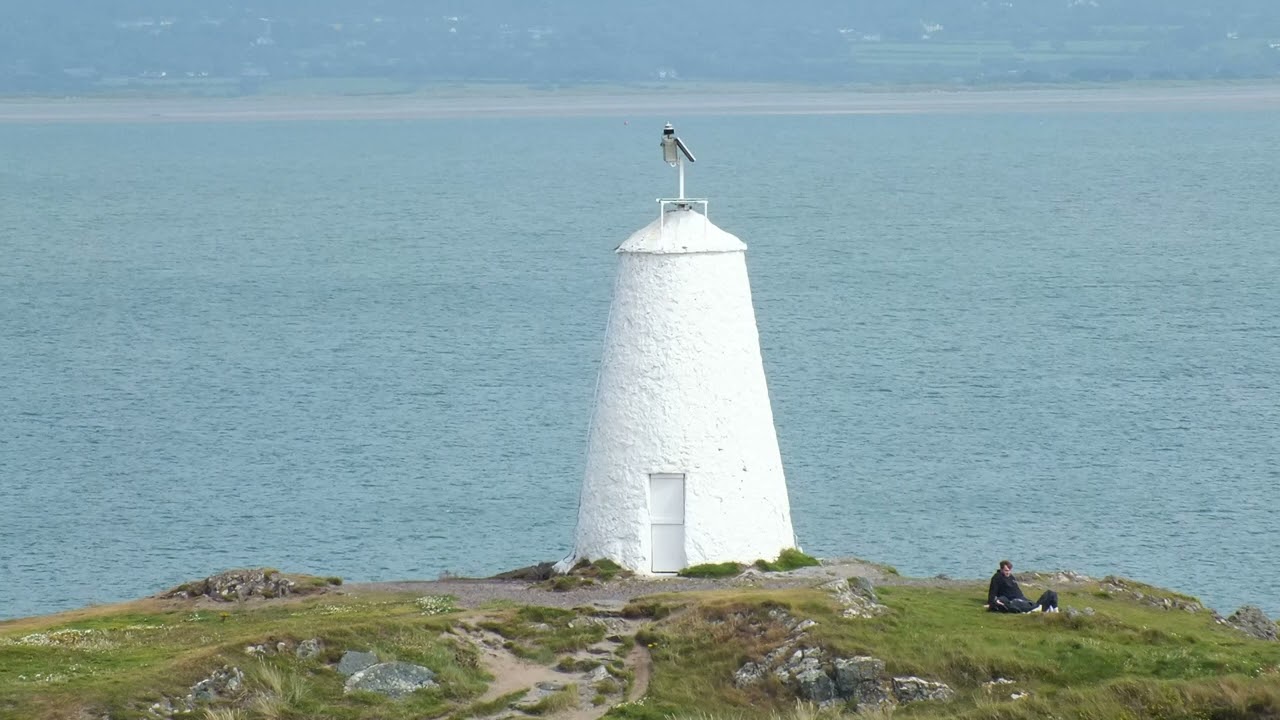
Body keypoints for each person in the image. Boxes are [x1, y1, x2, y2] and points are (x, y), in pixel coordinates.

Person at [986, 560, 1059, 613]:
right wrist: (991, 603)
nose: (1008, 572)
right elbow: (992, 592)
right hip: (1014, 601)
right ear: (1001, 569)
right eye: (1006, 570)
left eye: (1009, 570)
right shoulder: (997, 578)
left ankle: (1054, 610)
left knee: (1051, 593)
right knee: (1036, 605)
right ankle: (1042, 609)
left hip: (1023, 600)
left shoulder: (1011, 577)